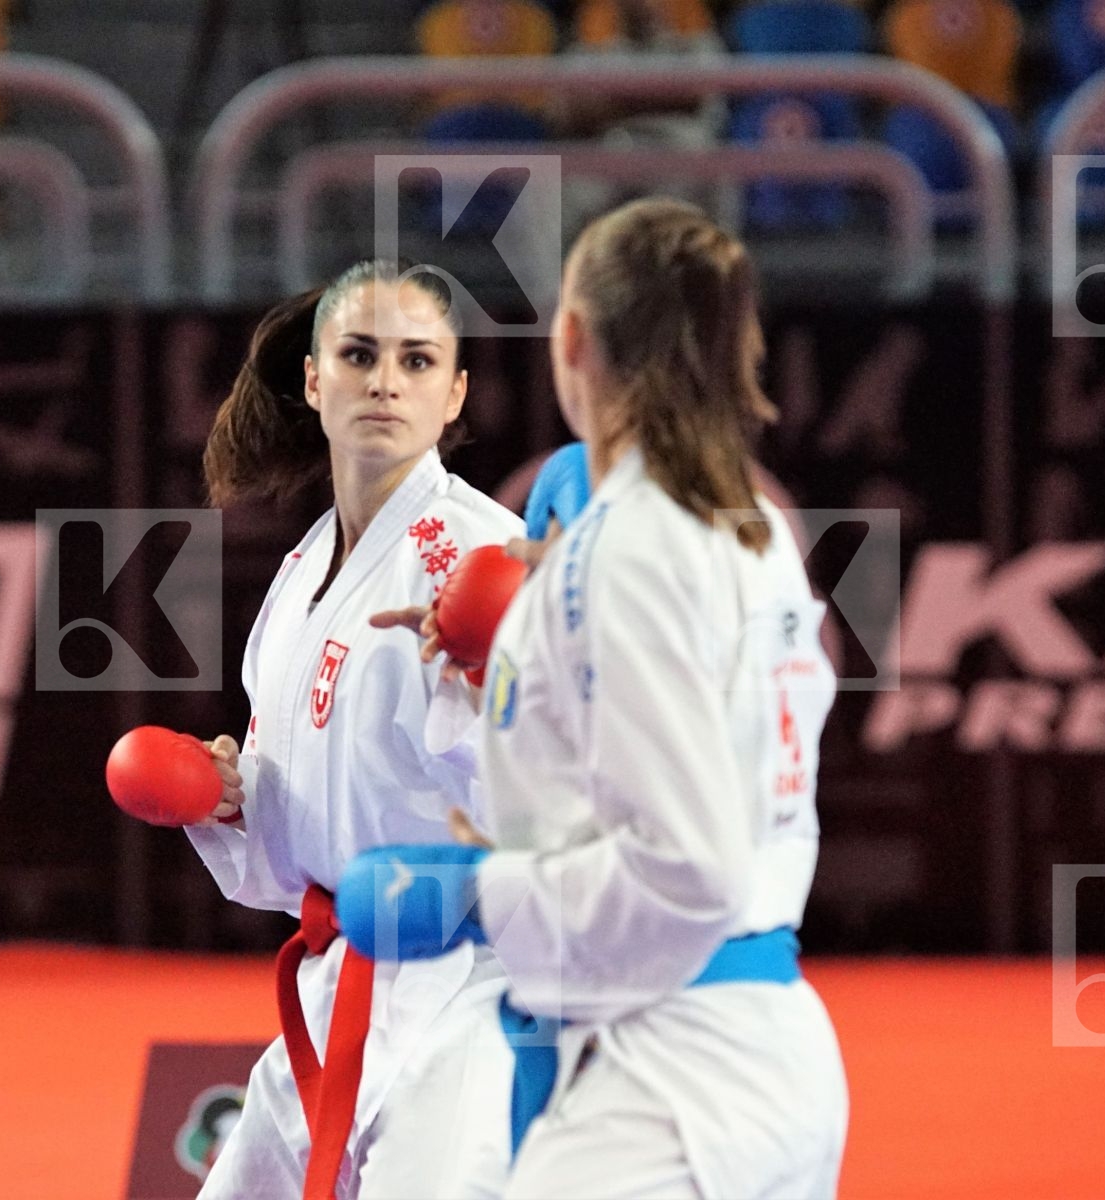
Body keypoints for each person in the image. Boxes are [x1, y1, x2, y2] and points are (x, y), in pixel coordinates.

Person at [339, 199, 849, 1198]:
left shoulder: (636, 547)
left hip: (675, 1077)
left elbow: (691, 862)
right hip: (727, 1052)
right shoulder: (743, 530)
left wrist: (483, 893)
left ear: (571, 338)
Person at [188, 259, 524, 1199]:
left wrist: (494, 684)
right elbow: (289, 851)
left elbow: (556, 799)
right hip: (343, 979)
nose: (385, 381)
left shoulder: (484, 554)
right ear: (312, 379)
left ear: (454, 394)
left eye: (418, 361)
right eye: (360, 354)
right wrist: (228, 797)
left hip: (470, 989)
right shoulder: (300, 574)